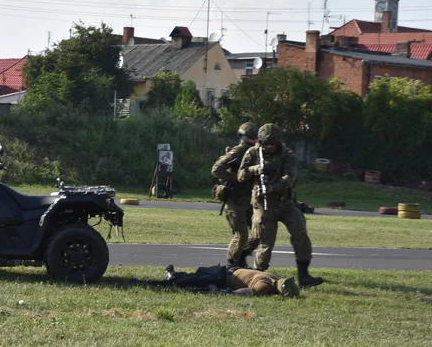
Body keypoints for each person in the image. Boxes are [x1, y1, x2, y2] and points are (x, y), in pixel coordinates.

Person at [237, 123, 324, 287]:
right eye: (266, 144)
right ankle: (258, 276)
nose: (269, 147)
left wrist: (274, 186)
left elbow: (290, 177)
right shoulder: (253, 152)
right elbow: (241, 175)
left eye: (273, 144)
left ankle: (304, 275)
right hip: (263, 203)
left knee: (300, 233)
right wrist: (256, 169)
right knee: (264, 241)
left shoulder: (287, 154)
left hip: (285, 201)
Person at [211, 122, 259, 269]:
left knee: (258, 235)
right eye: (251, 137)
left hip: (251, 199)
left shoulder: (258, 151)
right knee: (242, 234)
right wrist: (237, 177)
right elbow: (216, 169)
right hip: (235, 198)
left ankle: (241, 257)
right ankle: (232, 264)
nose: (254, 140)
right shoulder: (238, 151)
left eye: (255, 137)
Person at [139, 264, 300, 298]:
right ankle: (170, 278)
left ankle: (173, 274)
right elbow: (247, 292)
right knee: (186, 282)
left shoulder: (274, 277)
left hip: (227, 270)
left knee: (193, 278)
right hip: (223, 277)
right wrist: (226, 293)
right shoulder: (265, 285)